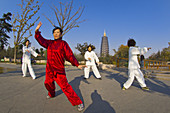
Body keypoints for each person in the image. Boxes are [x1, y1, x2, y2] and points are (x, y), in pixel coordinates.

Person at [34, 22, 85, 111]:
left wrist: (77, 64)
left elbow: (69, 55)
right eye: (54, 32)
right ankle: (52, 93)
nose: (56, 34)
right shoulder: (49, 43)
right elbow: (41, 40)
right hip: (49, 69)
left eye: (58, 32)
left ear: (61, 34)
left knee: (65, 87)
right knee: (47, 83)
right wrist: (37, 31)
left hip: (59, 70)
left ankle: (78, 102)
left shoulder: (63, 44)